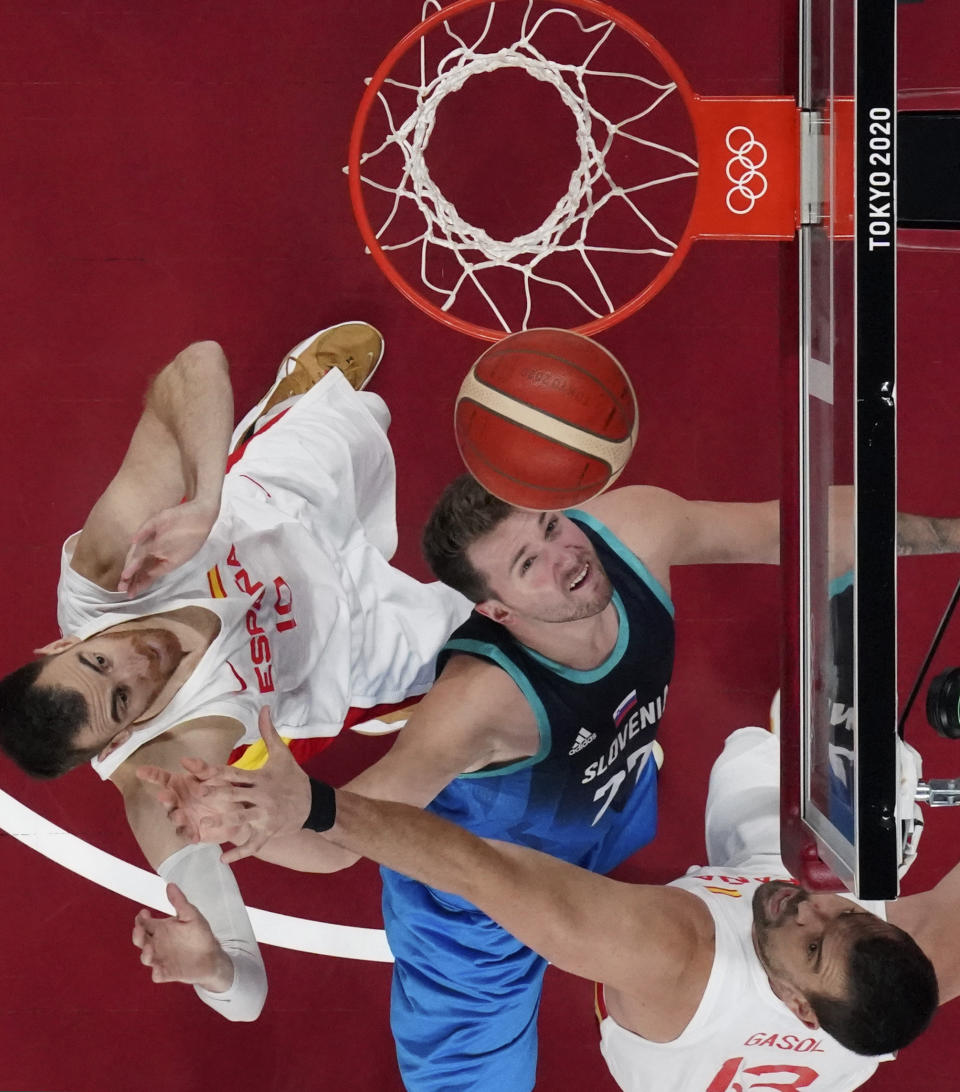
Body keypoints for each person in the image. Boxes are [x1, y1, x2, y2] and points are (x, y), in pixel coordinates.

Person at [137, 481, 960, 1088]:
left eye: (554, 525)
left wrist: (263, 812)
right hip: (482, 912)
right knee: (785, 784)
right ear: (493, 611)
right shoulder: (479, 707)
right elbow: (431, 862)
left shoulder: (630, 534)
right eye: (531, 559)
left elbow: (821, 530)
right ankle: (853, 757)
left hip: (573, 835)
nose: (569, 553)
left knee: (755, 792)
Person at [0, 323, 471, 1020]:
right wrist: (215, 966)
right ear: (116, 742)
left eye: (97, 659)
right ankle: (392, 702)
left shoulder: (102, 576)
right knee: (504, 650)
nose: (137, 660)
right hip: (347, 648)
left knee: (359, 417)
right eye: (124, 696)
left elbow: (194, 365)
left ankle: (274, 416)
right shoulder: (165, 782)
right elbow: (246, 997)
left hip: (277, 503)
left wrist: (206, 496)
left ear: (55, 644)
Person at [144, 712, 948, 1091]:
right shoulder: (905, 965)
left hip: (675, 1003)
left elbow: (479, 872)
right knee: (774, 746)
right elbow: (832, 927)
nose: (805, 907)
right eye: (840, 914)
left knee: (464, 966)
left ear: (800, 1008)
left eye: (814, 942)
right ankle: (868, 810)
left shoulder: (672, 953)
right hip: (789, 965)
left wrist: (315, 809)